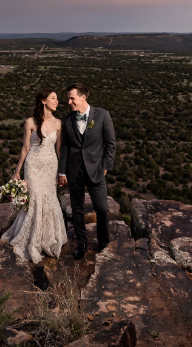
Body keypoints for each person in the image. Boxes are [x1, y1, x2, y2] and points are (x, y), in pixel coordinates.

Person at [1, 88, 68, 263]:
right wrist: (17, 171)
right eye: (53, 98)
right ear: (43, 101)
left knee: (49, 198)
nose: (57, 101)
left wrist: (63, 171)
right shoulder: (30, 122)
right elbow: (25, 148)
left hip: (50, 166)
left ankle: (47, 238)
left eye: (57, 99)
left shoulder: (59, 124)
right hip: (33, 166)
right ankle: (33, 239)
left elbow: (60, 150)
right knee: (35, 199)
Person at [58, 83, 116, 260]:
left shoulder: (102, 115)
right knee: (77, 209)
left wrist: (106, 166)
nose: (69, 102)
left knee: (102, 208)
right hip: (74, 171)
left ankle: (104, 243)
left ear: (83, 97)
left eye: (72, 98)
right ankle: (81, 243)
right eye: (68, 98)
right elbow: (65, 147)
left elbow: (110, 144)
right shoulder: (67, 119)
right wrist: (62, 172)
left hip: (96, 171)